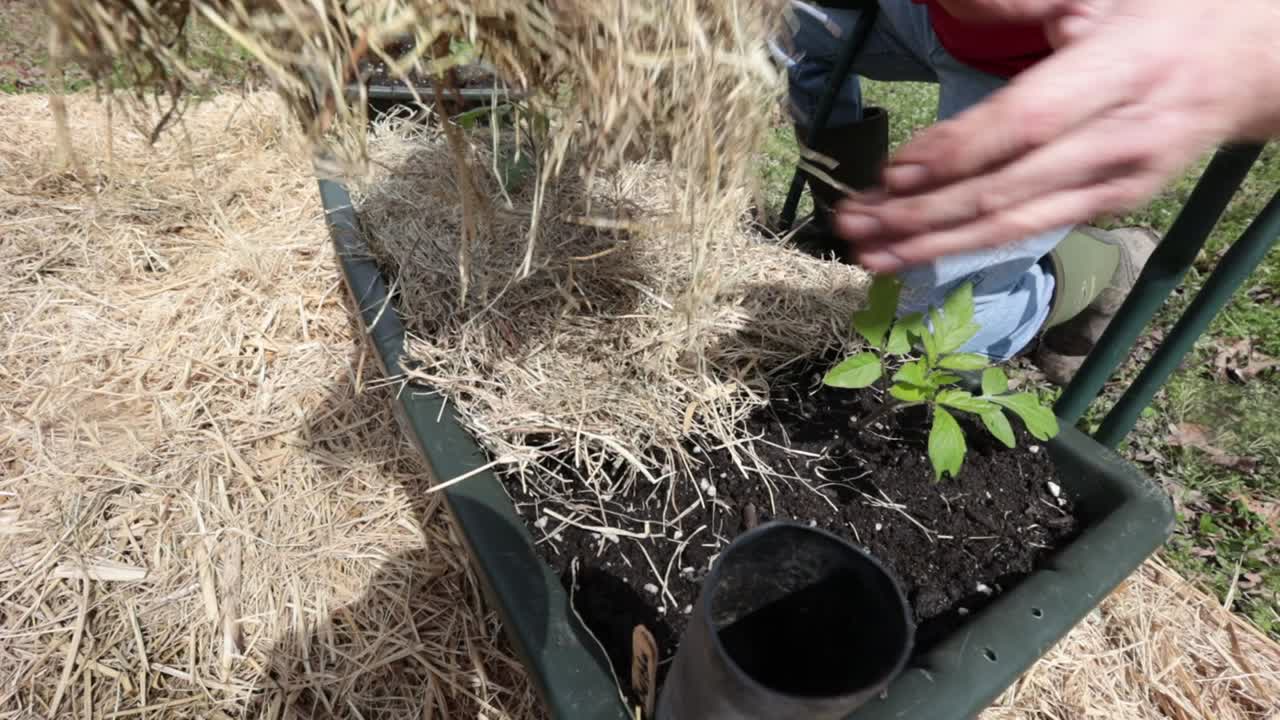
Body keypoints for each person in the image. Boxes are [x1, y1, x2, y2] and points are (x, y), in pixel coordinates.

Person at [785, 0, 1278, 384]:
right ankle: (853, 235)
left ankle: (1098, 266)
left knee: (916, 337)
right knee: (782, 24)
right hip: (926, 17)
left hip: (1071, 64)